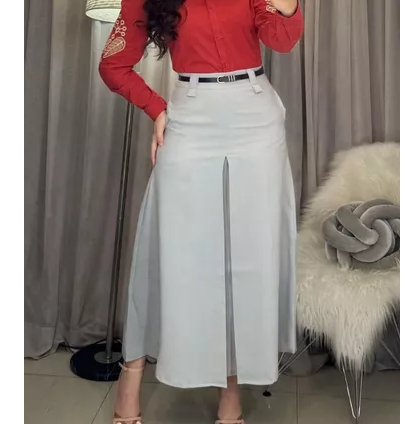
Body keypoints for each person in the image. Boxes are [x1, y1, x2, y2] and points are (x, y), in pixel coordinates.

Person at [99, 1, 303, 423]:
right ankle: (130, 377)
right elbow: (113, 65)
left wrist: (289, 6)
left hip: (255, 117)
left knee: (245, 258)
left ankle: (231, 394)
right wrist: (156, 108)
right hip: (190, 116)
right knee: (167, 247)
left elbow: (282, 40)